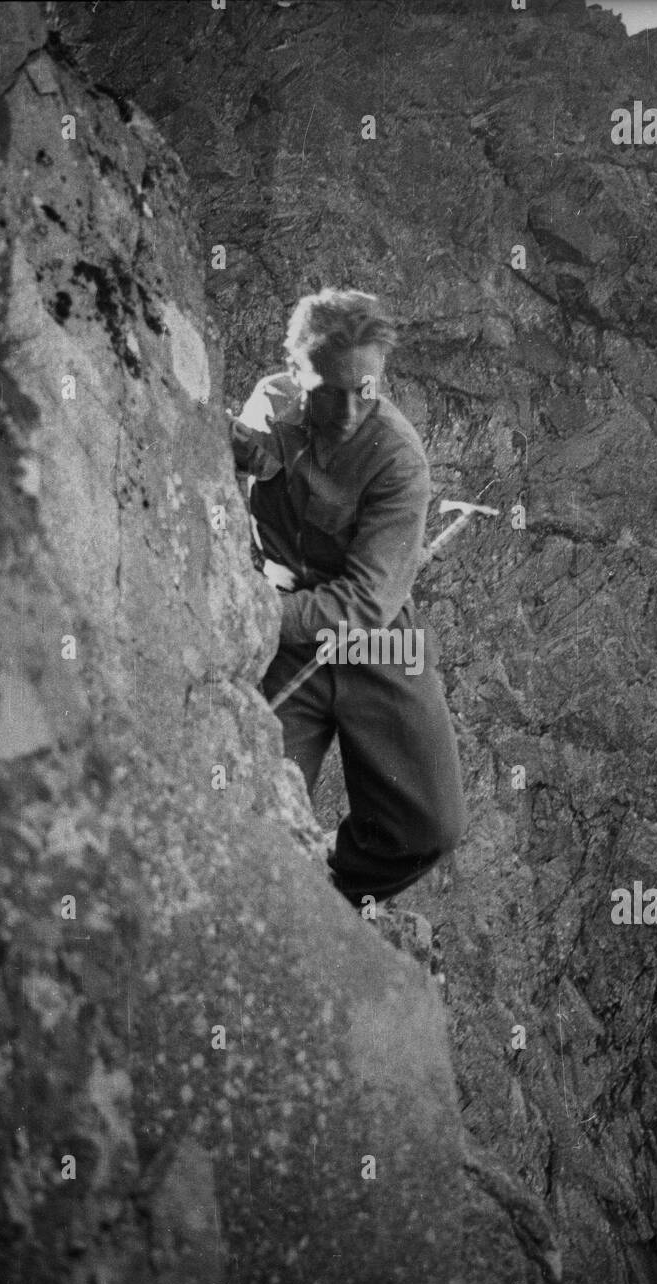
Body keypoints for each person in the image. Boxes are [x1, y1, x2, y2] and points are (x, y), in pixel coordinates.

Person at [228, 288, 466, 907]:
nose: (350, 409)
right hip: (288, 627)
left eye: (365, 389)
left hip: (377, 636)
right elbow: (229, 469)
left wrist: (255, 616)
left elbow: (366, 600)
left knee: (429, 827)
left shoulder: (397, 458)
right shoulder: (271, 402)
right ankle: (280, 898)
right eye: (328, 390)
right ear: (293, 367)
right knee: (245, 805)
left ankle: (332, 893)